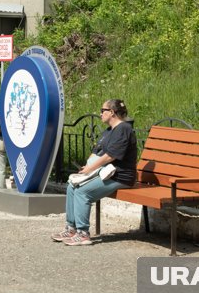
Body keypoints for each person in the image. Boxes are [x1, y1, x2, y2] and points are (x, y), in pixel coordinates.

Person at [52, 99, 137, 246]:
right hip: (105, 173)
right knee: (72, 186)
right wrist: (86, 167)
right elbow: (98, 151)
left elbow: (111, 155)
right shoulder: (109, 130)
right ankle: (71, 228)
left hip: (120, 176)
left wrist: (91, 169)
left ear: (112, 112)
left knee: (82, 192)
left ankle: (83, 234)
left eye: (102, 110)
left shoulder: (124, 129)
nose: (100, 113)